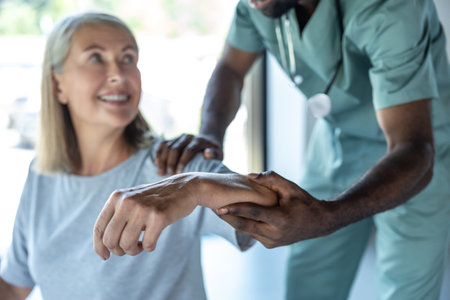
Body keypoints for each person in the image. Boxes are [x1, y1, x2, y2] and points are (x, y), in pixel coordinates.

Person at [116, 0, 450, 299]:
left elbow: (414, 146)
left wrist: (329, 216)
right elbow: (231, 69)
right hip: (337, 140)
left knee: (408, 285)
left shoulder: (390, 8)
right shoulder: (258, 5)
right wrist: (211, 135)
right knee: (310, 281)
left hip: (415, 153)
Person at [0, 12, 276, 300]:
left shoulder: (177, 168)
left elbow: (280, 212)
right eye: (96, 57)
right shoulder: (42, 172)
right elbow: (14, 286)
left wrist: (197, 188)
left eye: (129, 58)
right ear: (58, 86)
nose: (119, 73)